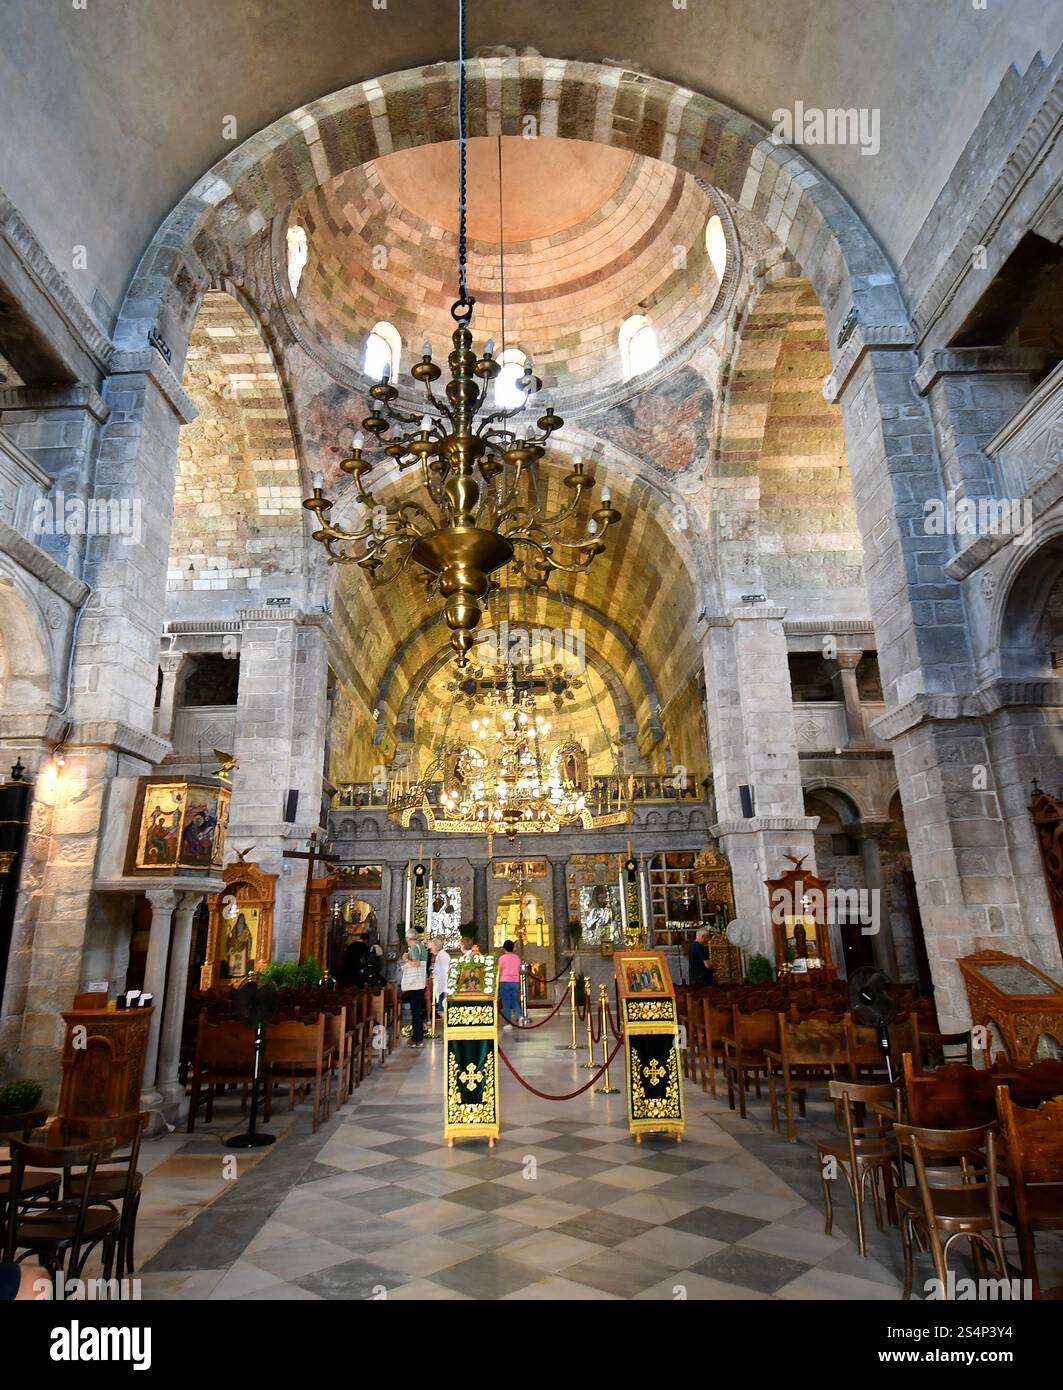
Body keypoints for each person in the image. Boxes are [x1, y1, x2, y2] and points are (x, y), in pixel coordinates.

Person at [401, 927, 429, 1046]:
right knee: (417, 1011)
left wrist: (407, 959)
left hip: (415, 984)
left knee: (415, 1011)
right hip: (420, 982)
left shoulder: (414, 947)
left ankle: (417, 1038)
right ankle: (418, 1036)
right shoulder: (421, 946)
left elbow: (416, 963)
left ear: (408, 938)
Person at [498, 939, 522, 1026]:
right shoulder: (517, 958)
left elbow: (499, 971)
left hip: (504, 981)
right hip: (515, 981)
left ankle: (508, 1023)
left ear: (504, 948)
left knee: (506, 1003)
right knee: (515, 1001)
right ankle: (519, 1017)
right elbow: (519, 969)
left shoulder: (502, 958)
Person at [429, 935, 451, 1022]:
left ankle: (449, 1027)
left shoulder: (443, 956)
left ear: (436, 947)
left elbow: (446, 973)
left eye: (431, 948)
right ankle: (448, 1027)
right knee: (441, 1010)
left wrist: (446, 990)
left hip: (444, 988)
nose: (430, 951)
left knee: (441, 1010)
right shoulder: (439, 956)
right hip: (441, 988)